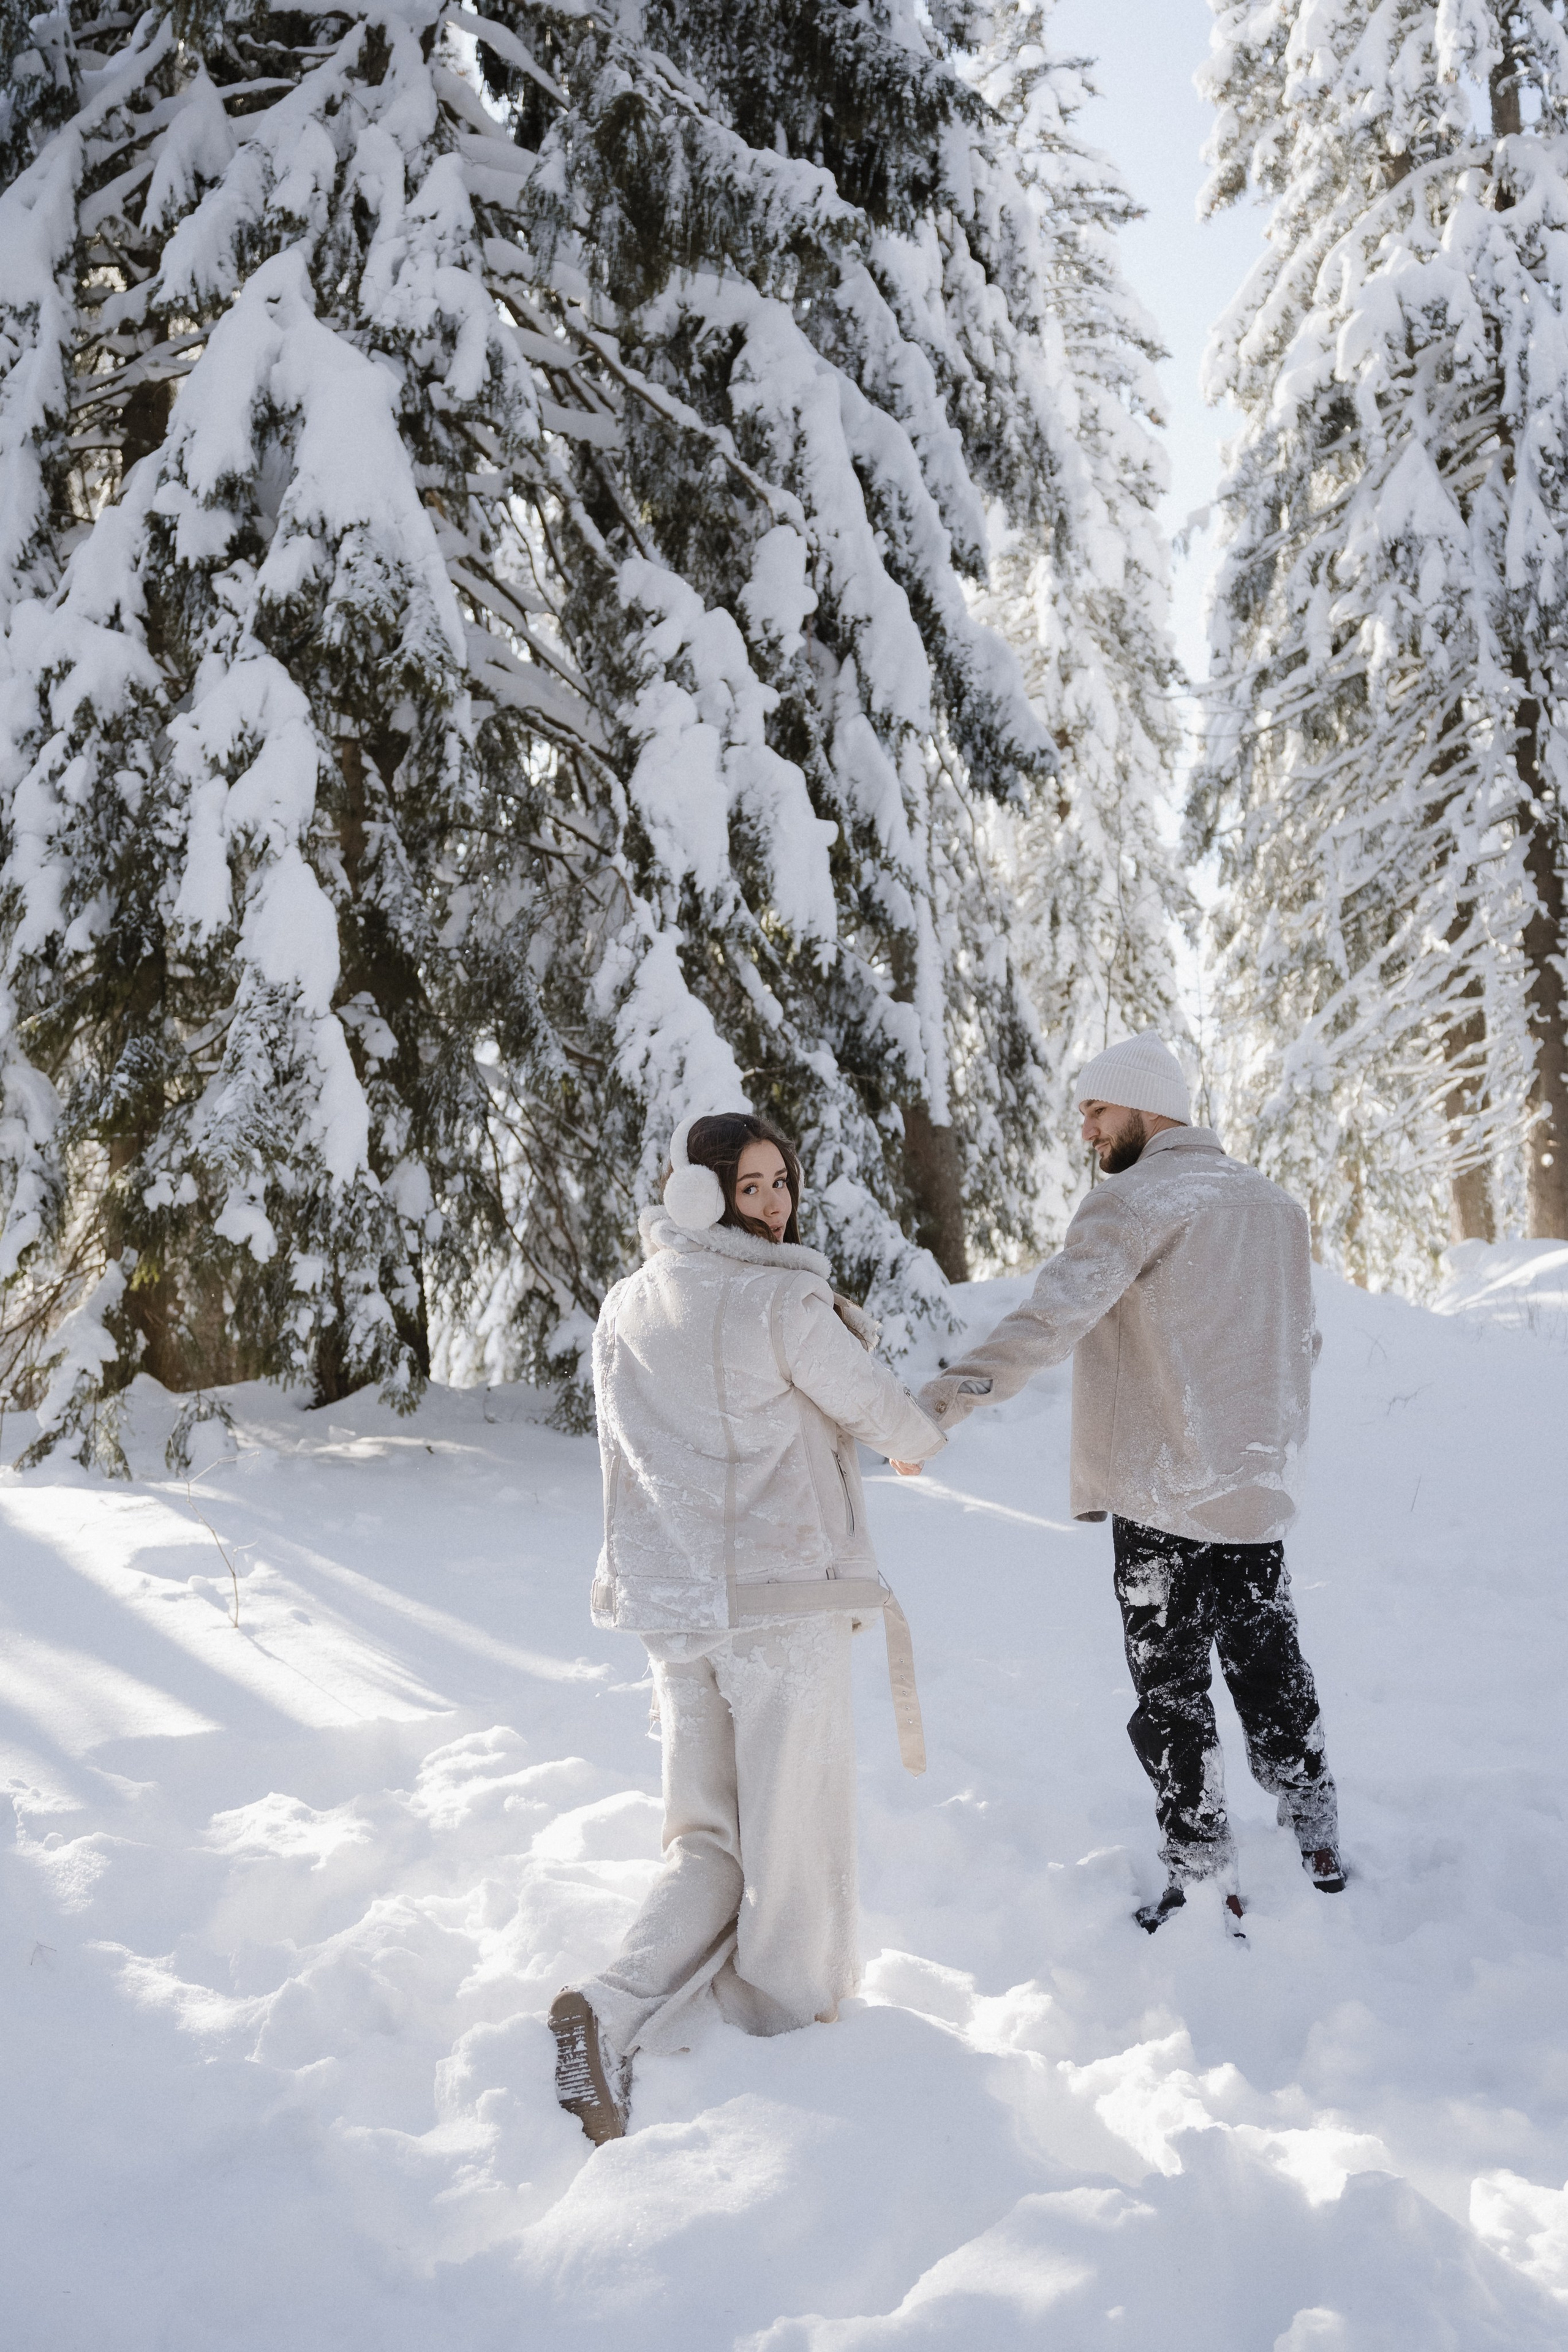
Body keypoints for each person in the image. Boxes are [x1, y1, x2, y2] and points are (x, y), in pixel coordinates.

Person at [549, 1111, 945, 2143]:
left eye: (781, 1182)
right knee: (796, 1837)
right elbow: (886, 1415)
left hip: (678, 1615)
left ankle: (609, 2005)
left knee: (706, 1843)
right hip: (780, 1613)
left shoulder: (626, 1306)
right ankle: (783, 2042)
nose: (773, 1204)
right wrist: (921, 1435)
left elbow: (621, 1461)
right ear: (701, 1195)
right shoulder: (782, 1298)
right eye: (751, 1187)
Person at [919, 1032, 1344, 1936]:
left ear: (1151, 1110)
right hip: (1253, 1496)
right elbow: (1303, 1344)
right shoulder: (1276, 1208)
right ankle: (1317, 1837)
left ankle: (1200, 1875)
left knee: (1172, 1689)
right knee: (1272, 1669)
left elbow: (1051, 1317)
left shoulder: (1136, 1199)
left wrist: (946, 1400)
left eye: (1097, 1110)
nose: (1087, 1129)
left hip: (1160, 1501)